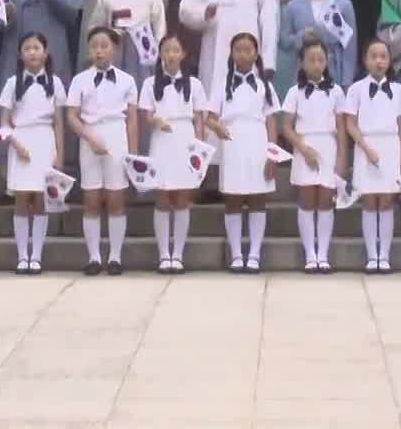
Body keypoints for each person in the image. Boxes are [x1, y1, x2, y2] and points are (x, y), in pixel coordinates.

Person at [203, 32, 279, 273]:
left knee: (257, 197)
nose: (244, 54)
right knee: (233, 198)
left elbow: (271, 123)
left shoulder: (264, 86)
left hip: (258, 142)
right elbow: (209, 119)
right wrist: (219, 127)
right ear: (232, 54)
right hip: (233, 143)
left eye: (248, 50)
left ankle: (254, 253)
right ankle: (236, 254)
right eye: (239, 50)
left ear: (256, 54)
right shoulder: (222, 84)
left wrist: (272, 155)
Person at [67, 27, 139, 275]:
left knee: (116, 198)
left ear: (115, 49)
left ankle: (115, 257)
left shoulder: (127, 80)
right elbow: (72, 116)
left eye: (104, 45)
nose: (99, 51)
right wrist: (89, 137)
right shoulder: (80, 80)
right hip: (89, 137)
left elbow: (131, 119)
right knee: (91, 199)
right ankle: (94, 256)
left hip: (117, 137)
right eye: (94, 46)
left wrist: (133, 154)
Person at [0, 33, 66, 275]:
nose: (32, 52)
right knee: (22, 198)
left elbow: (59, 122)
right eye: (27, 48)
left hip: (45, 141)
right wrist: (16, 144)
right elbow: (4, 122)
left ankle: (35, 255)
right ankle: (22, 255)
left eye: (37, 47)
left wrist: (59, 155)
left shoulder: (55, 83)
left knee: (40, 199)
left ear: (45, 52)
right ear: (20, 54)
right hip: (21, 140)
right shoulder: (11, 83)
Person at [138, 35, 205, 273]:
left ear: (183, 54)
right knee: (164, 196)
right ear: (160, 54)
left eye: (176, 50)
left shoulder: (195, 84)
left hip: (185, 138)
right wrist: (156, 120)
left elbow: (199, 119)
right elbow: (145, 116)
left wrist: (199, 147)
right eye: (167, 50)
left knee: (182, 197)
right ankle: (163, 254)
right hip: (162, 139)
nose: (171, 55)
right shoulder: (149, 84)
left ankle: (178, 254)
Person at [344, 38, 401, 273]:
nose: (379, 61)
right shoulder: (356, 89)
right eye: (374, 56)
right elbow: (350, 123)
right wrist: (365, 147)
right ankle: (372, 255)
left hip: (390, 145)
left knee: (387, 200)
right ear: (365, 60)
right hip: (366, 145)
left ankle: (385, 254)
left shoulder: (399, 90)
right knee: (370, 200)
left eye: (383, 56)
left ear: (389, 61)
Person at [281, 38, 344, 274]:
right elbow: (286, 126)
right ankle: (310, 253)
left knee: (326, 200)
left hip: (328, 144)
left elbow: (341, 127)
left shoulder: (336, 91)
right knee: (307, 199)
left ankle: (323, 253)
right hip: (304, 144)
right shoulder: (294, 91)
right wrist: (302, 148)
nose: (316, 64)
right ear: (302, 63)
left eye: (321, 59)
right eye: (311, 60)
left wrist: (341, 160)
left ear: (327, 62)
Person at [279, 0, 357, 93]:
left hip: (333, 69)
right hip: (302, 70)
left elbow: (350, 46)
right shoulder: (293, 6)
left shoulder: (344, 5)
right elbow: (284, 40)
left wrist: (347, 81)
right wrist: (302, 36)